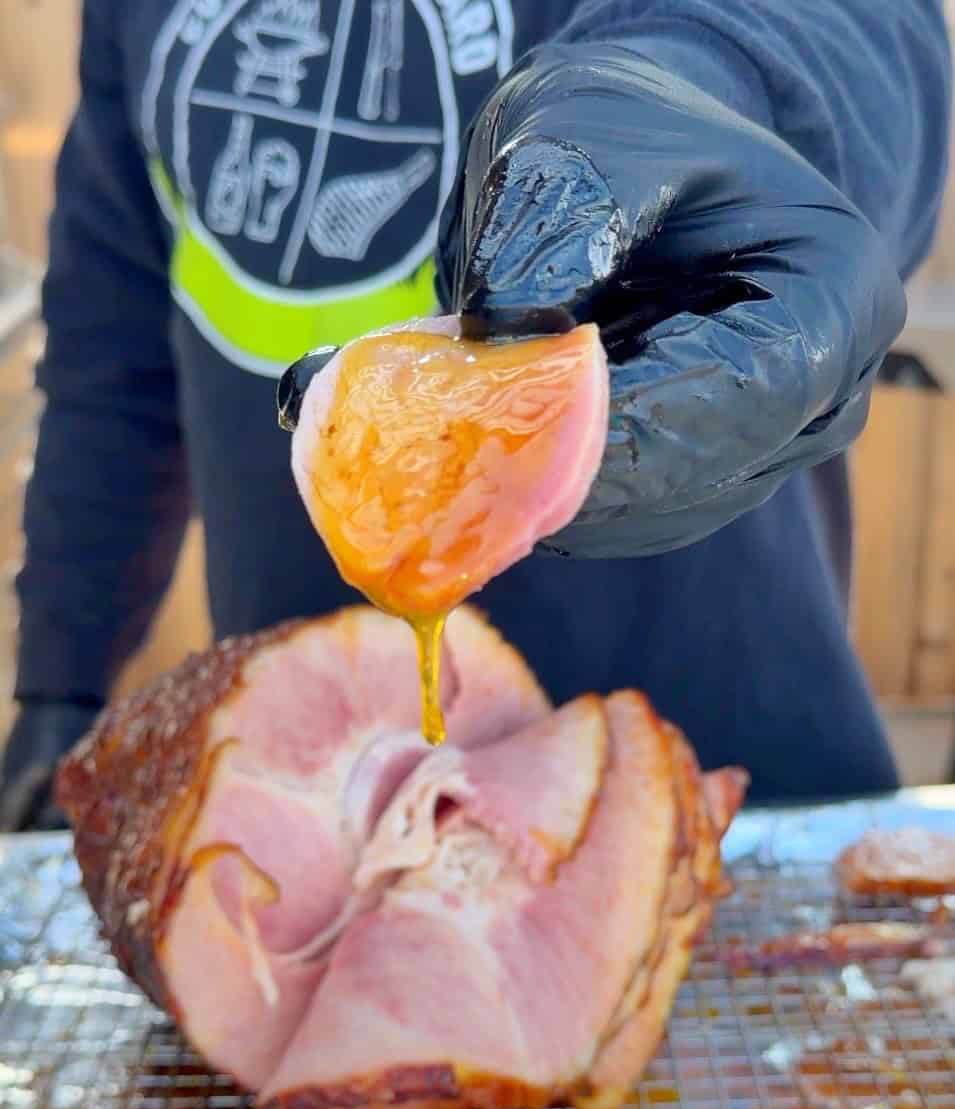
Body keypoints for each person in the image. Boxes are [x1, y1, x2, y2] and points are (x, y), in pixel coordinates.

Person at [0, 0, 950, 829]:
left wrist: (704, 82)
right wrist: (64, 672)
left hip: (724, 764)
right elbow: (112, 337)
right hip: (322, 798)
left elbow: (860, 31)